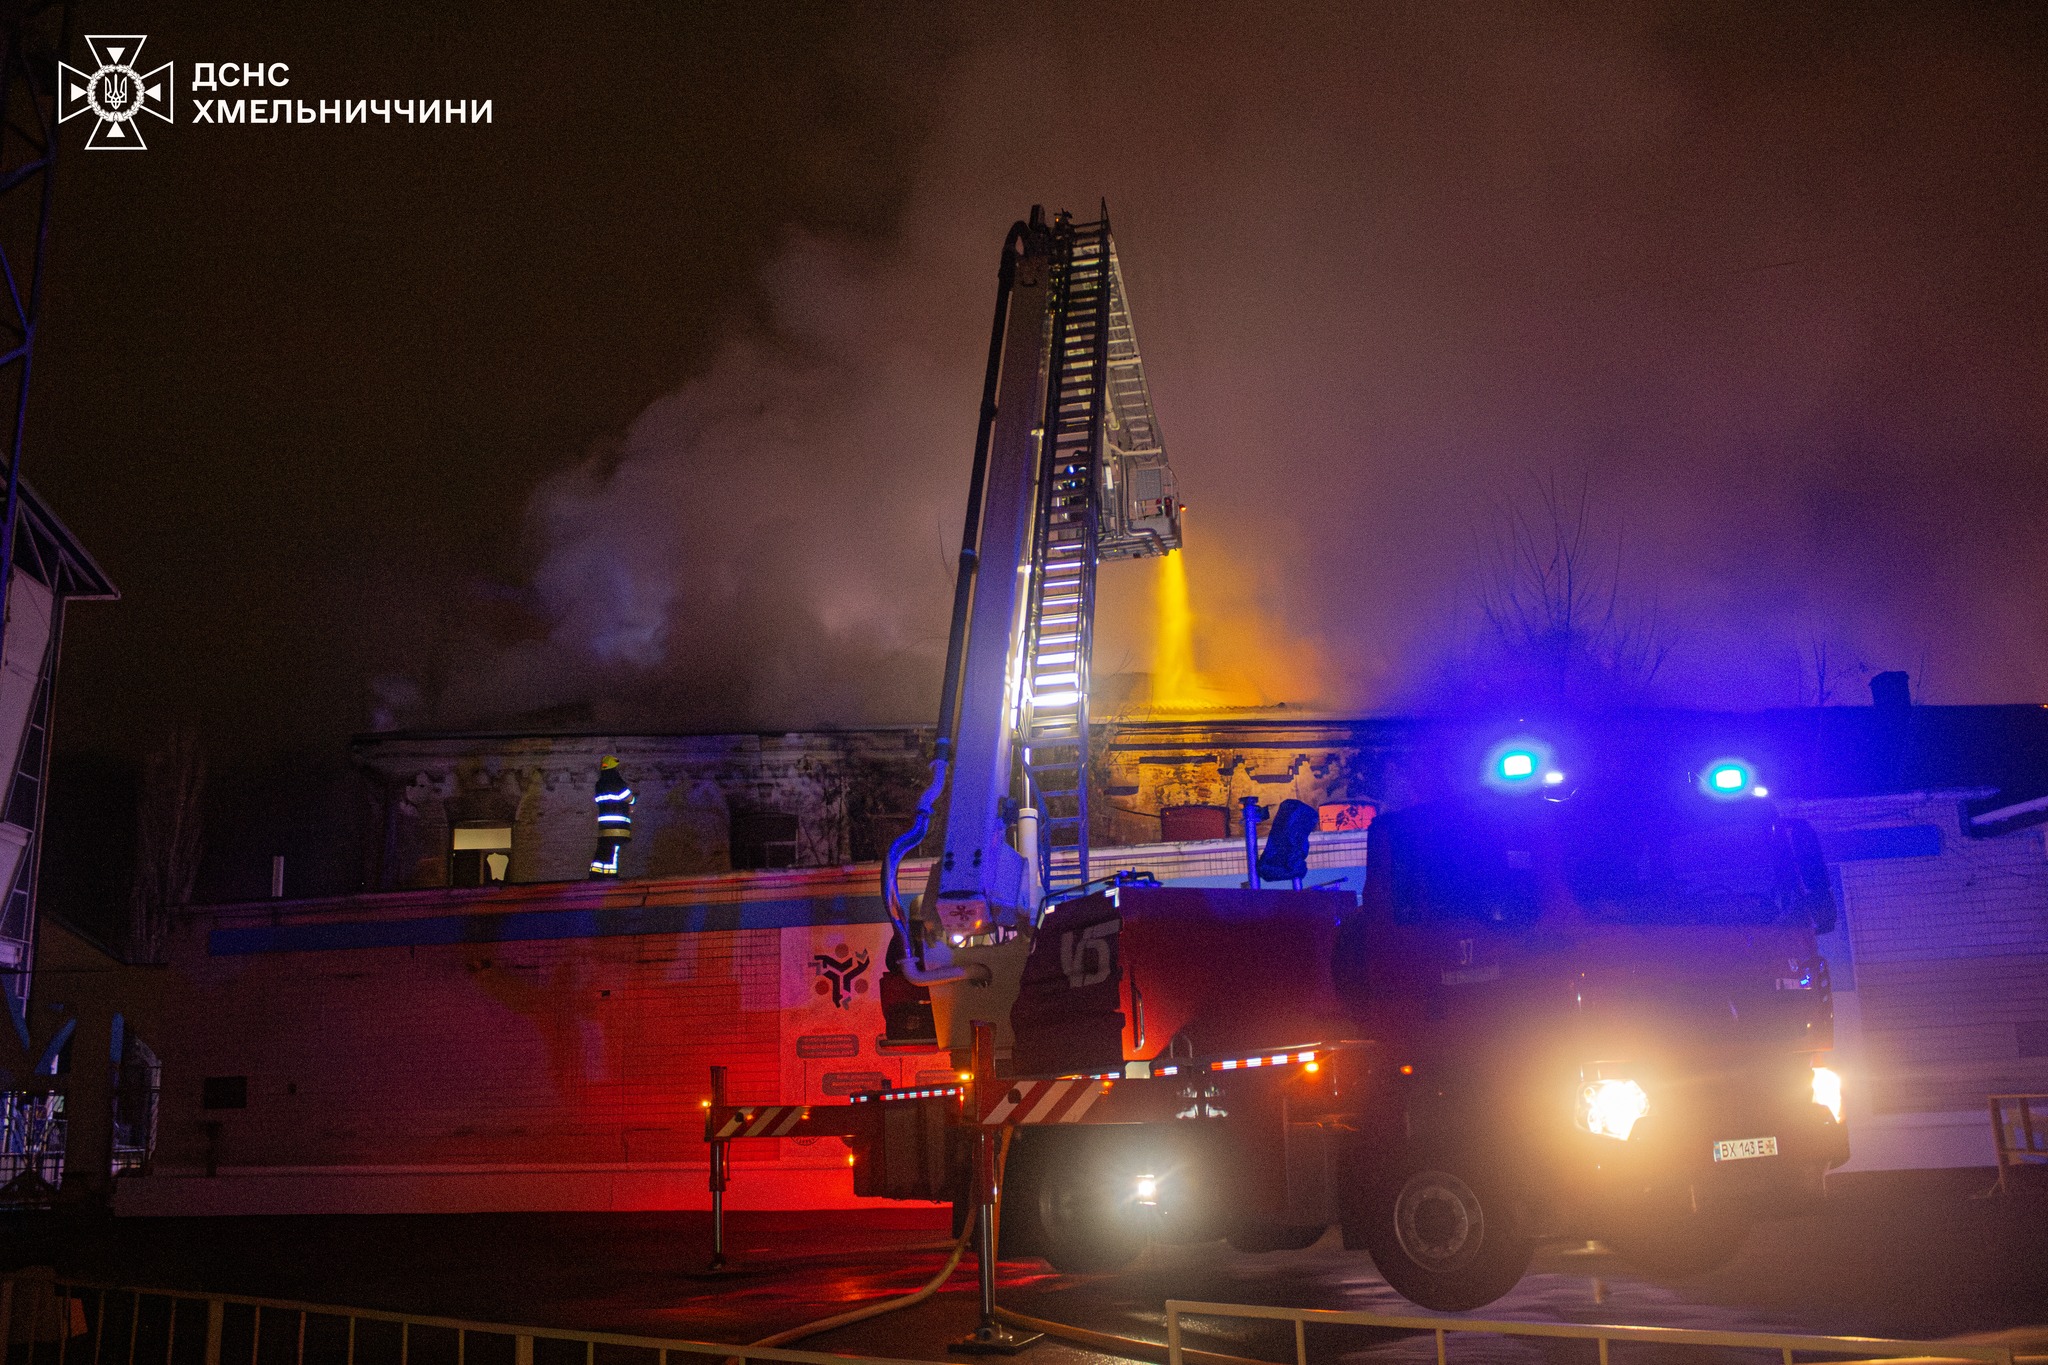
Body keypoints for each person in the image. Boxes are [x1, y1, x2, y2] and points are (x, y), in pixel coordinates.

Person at [589, 755, 634, 878]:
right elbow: (628, 797)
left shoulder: (599, 784)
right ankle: (611, 876)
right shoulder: (617, 782)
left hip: (604, 826)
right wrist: (632, 802)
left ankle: (596, 874)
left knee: (603, 849)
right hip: (618, 826)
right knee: (614, 850)